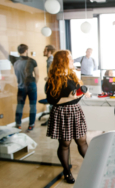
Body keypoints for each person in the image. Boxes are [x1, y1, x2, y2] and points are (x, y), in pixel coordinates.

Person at [46, 50, 91, 184]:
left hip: (75, 111)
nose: (72, 61)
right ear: (62, 62)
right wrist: (70, 97)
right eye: (70, 59)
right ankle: (67, 171)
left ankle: (92, 164)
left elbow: (80, 93)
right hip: (62, 112)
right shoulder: (53, 79)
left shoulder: (73, 75)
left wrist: (84, 92)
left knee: (82, 141)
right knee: (65, 143)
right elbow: (52, 100)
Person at [14, 44, 39, 131]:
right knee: (32, 106)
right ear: (26, 50)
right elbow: (37, 75)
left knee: (20, 106)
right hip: (31, 85)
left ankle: (18, 125)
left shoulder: (15, 61)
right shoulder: (32, 61)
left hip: (21, 86)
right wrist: (35, 84)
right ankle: (31, 125)